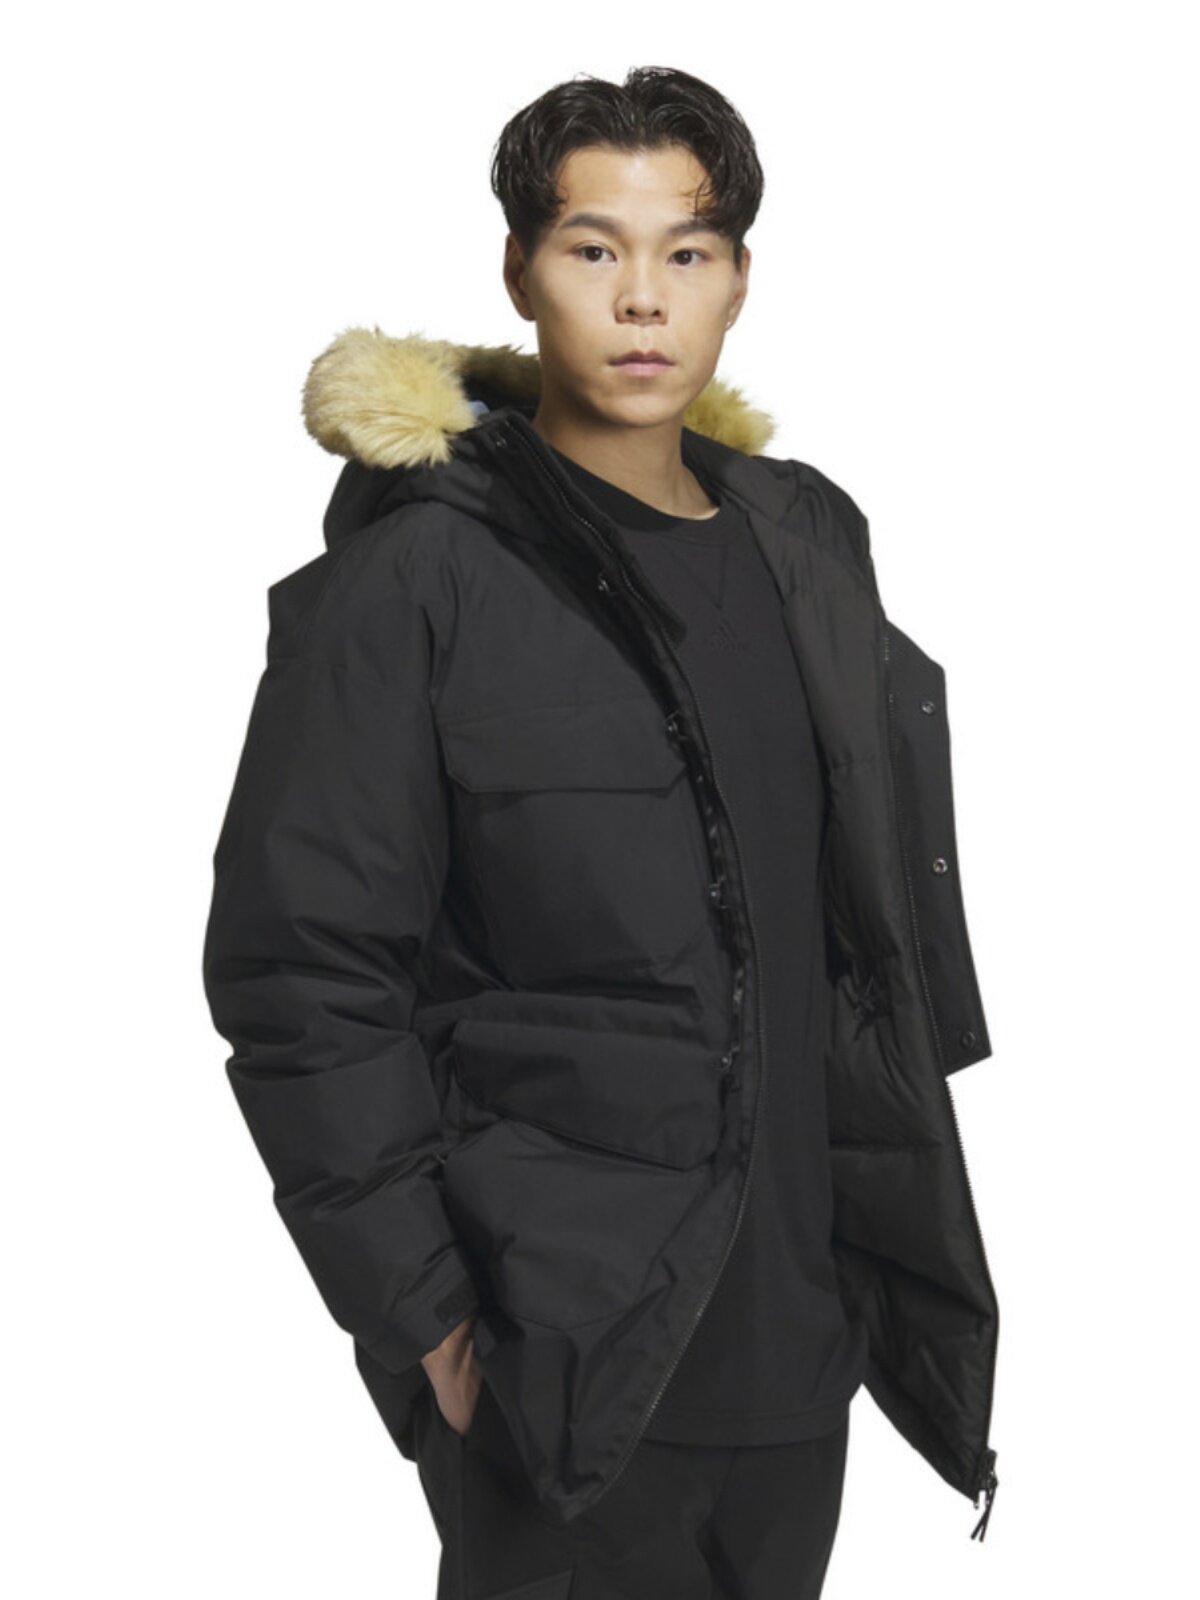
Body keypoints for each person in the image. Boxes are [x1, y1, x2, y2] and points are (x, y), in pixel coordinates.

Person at [203, 65, 1000, 1600]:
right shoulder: (421, 579)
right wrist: (428, 1321)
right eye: (593, 248)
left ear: (739, 279)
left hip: (801, 1364)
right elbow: (301, 971)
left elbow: (862, 943)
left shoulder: (808, 545)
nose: (643, 298)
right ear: (520, 272)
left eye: (686, 252)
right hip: (561, 1376)